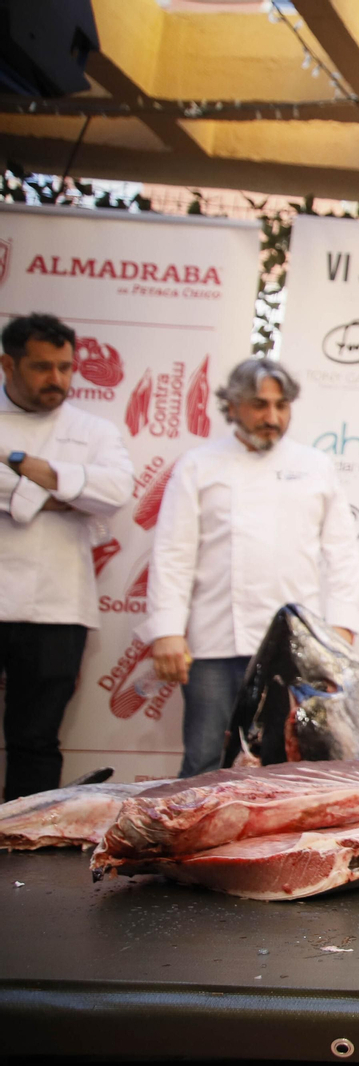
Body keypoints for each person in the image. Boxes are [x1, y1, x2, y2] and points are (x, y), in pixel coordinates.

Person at [139, 359, 359, 777]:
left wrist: (343, 626)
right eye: (260, 405)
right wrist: (167, 629)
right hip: (216, 639)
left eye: (282, 406)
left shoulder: (315, 466)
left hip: (295, 646)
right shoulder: (198, 465)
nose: (272, 418)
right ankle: (192, 839)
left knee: (290, 761)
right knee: (205, 758)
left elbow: (342, 553)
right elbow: (173, 552)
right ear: (233, 405)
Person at [0, 313, 133, 799]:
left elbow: (116, 490)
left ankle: (19, 850)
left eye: (64, 367)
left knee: (35, 739)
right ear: (7, 365)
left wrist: (20, 464)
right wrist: (67, 490)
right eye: (41, 367)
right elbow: (90, 491)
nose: (56, 379)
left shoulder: (93, 430)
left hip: (58, 608)